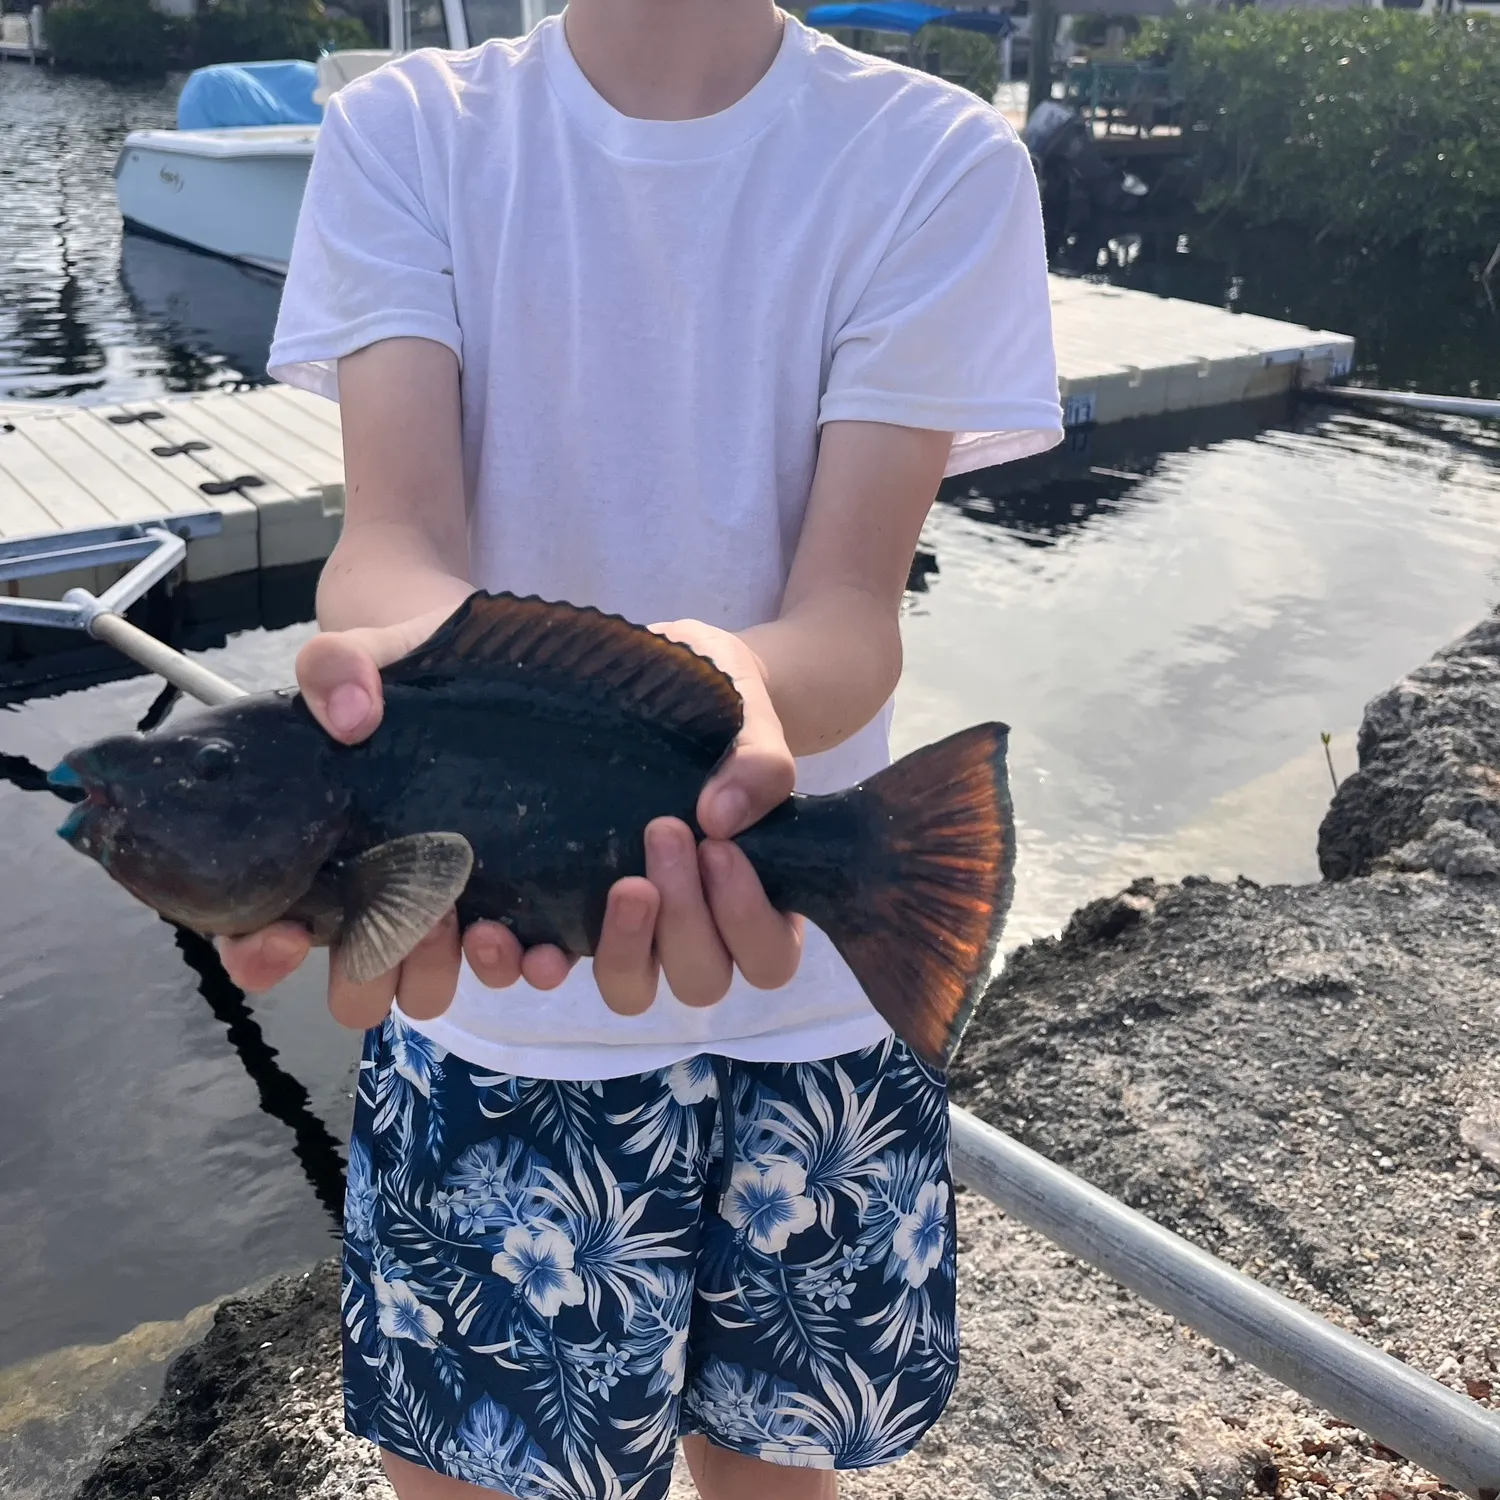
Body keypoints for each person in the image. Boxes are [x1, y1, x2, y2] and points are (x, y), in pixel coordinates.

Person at [228, 3, 1061, 1497]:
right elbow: (395, 545)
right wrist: (401, 680)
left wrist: (728, 688)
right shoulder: (401, 129)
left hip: (806, 999)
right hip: (501, 1000)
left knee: (772, 1475)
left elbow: (849, 614)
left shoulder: (944, 157)